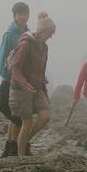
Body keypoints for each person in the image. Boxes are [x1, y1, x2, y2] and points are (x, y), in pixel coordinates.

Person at [8, 11, 55, 157]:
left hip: (37, 88)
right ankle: (21, 156)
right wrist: (24, 84)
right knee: (27, 122)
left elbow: (42, 72)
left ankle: (25, 140)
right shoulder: (25, 45)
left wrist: (45, 92)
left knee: (45, 116)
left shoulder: (44, 47)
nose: (51, 36)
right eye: (50, 33)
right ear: (43, 31)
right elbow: (15, 67)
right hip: (21, 90)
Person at [0, 2, 30, 157]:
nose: (23, 16)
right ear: (14, 16)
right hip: (8, 77)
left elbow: (33, 59)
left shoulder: (29, 34)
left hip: (22, 79)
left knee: (15, 114)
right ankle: (17, 145)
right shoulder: (9, 34)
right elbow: (1, 55)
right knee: (5, 107)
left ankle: (9, 149)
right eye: (20, 14)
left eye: (25, 13)